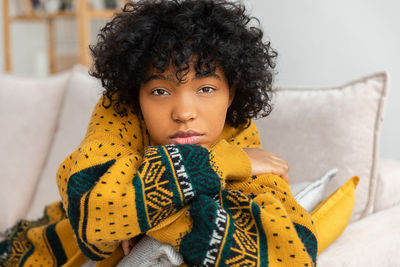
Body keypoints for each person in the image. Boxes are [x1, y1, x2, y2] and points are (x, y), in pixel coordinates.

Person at [0, 0, 317, 266]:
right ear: (136, 94)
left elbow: (293, 250)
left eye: (206, 88)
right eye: (161, 92)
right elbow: (91, 215)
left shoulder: (239, 132)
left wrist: (148, 216)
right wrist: (218, 164)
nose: (183, 112)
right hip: (35, 247)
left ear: (232, 93)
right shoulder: (120, 114)